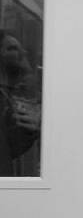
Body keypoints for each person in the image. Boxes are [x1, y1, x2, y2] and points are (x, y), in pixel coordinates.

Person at [0, 28, 41, 176]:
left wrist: (34, 129)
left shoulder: (14, 93)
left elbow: (10, 148)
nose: (21, 53)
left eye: (21, 49)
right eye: (12, 48)